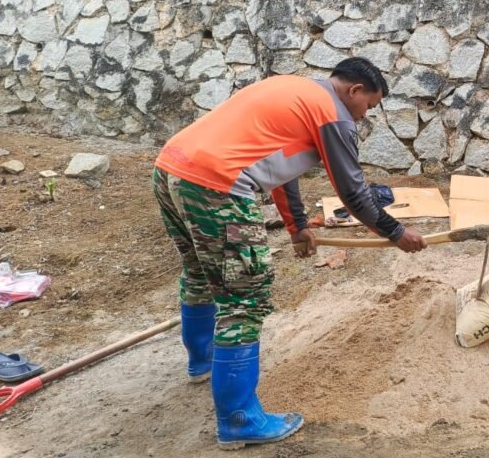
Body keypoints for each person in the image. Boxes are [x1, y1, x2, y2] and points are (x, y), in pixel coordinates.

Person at [152, 57, 428, 449]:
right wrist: (396, 231)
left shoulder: (293, 91)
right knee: (244, 299)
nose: (364, 116)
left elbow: (279, 170)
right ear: (354, 91)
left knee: (199, 272)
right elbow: (352, 192)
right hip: (217, 185)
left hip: (170, 169)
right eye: (369, 105)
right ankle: (239, 419)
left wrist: (297, 226)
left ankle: (204, 361)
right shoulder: (333, 114)